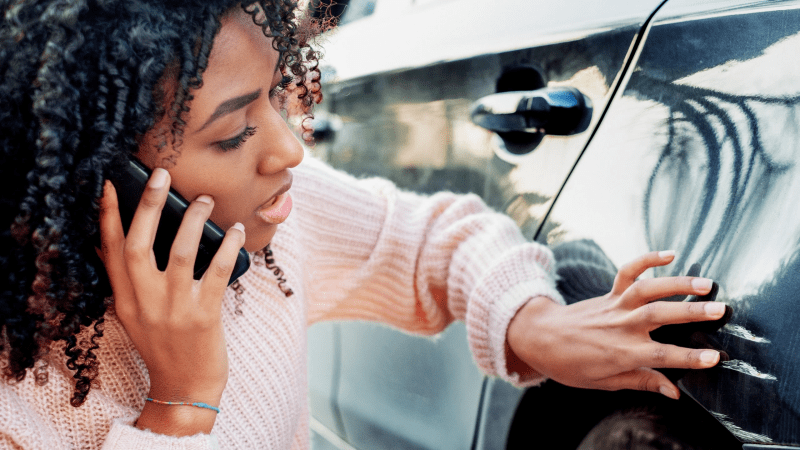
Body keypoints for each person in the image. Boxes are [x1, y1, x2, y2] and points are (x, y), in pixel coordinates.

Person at [0, 0, 728, 448]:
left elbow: (432, 242)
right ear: (95, 177)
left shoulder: (278, 226)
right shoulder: (20, 394)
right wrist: (179, 405)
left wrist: (531, 322)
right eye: (232, 135)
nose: (290, 148)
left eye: (276, 100)